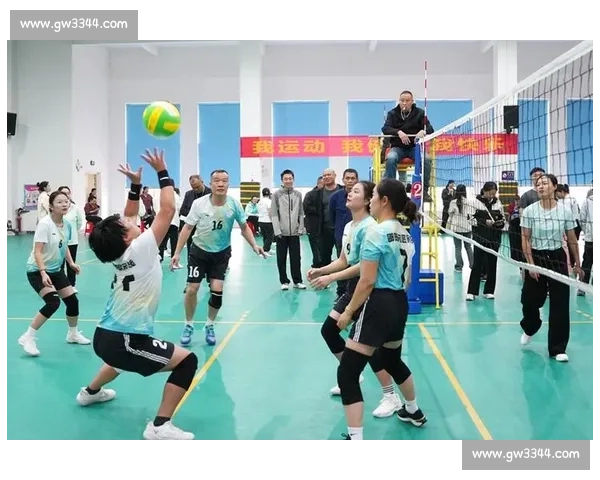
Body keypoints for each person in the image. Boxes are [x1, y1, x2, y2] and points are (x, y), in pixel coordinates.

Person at [79, 152, 198, 440]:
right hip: (125, 340)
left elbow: (129, 215)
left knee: (120, 361)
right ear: (126, 237)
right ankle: (159, 426)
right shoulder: (141, 248)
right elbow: (167, 210)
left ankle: (90, 392)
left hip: (105, 336)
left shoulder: (123, 251)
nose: (130, 220)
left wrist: (135, 186)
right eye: (127, 224)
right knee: (187, 361)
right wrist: (163, 172)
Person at [335, 178, 427, 440]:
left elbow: (366, 281)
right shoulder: (405, 234)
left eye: (374, 195)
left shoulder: (376, 232)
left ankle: (355, 438)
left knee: (348, 372)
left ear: (384, 201)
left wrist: (348, 312)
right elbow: (407, 280)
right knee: (391, 360)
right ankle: (413, 410)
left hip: (379, 303)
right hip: (399, 303)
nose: (371, 200)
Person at [308, 181, 403, 418]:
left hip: (366, 289)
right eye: (350, 191)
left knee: (368, 346)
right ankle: (352, 372)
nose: (349, 193)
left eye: (356, 191)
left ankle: (391, 396)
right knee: (330, 331)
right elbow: (344, 260)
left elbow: (363, 267)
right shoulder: (350, 225)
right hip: (352, 287)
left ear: (369, 200)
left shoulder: (371, 227)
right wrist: (321, 270)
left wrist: (331, 278)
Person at [171, 169, 266, 346]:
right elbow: (187, 228)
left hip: (221, 253)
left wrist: (254, 245)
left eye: (224, 181)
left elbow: (244, 227)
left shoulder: (234, 204)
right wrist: (176, 253)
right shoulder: (199, 204)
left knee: (217, 292)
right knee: (192, 289)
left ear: (229, 184)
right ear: (210, 183)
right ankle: (188, 324)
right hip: (199, 251)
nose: (220, 184)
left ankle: (209, 324)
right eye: (216, 180)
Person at [19, 190, 89, 357]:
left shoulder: (67, 224)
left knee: (72, 301)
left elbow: (64, 246)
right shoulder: (45, 224)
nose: (64, 204)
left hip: (55, 270)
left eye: (66, 201)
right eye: (59, 202)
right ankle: (28, 337)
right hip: (37, 270)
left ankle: (73, 334)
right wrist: (43, 272)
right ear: (51, 206)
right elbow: (37, 251)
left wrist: (71, 263)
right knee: (53, 302)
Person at [520, 174, 581, 362]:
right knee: (529, 300)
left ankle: (558, 348)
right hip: (536, 256)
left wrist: (577, 263)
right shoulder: (529, 211)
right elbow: (525, 239)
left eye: (544, 183)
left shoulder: (565, 211)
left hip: (557, 257)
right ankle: (530, 327)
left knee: (560, 302)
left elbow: (572, 239)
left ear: (555, 186)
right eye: (537, 184)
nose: (540, 186)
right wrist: (531, 265)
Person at [381, 91, 434, 196]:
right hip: (397, 148)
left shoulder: (420, 113)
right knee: (391, 158)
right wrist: (398, 132)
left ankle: (424, 190)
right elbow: (385, 128)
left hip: (415, 148)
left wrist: (423, 131)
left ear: (412, 101)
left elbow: (430, 129)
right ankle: (389, 190)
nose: (404, 103)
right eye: (402, 100)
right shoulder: (392, 113)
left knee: (426, 159)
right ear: (399, 101)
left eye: (407, 100)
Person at [466, 182, 505, 301]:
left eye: (494, 193)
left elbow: (503, 219)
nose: (491, 196)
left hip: (494, 238)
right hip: (480, 238)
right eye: (490, 193)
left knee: (492, 264)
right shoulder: (474, 202)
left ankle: (489, 291)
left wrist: (500, 223)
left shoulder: (498, 203)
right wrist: (484, 222)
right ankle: (471, 291)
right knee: (477, 264)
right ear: (484, 191)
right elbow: (470, 219)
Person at [271, 169, 306, 290]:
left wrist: (300, 228)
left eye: (290, 178)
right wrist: (277, 230)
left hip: (294, 233)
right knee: (281, 258)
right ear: (282, 180)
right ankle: (284, 281)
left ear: (293, 179)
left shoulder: (298, 194)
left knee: (296, 258)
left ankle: (297, 281)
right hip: (281, 233)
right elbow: (274, 214)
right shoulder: (276, 194)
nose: (288, 181)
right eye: (285, 179)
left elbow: (301, 212)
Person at [328, 169, 358, 301]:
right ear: (343, 180)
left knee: (356, 266)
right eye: (347, 178)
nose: (350, 181)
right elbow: (331, 217)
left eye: (353, 178)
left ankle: (354, 294)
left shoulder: (362, 197)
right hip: (341, 237)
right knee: (341, 265)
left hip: (358, 238)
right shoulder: (335, 197)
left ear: (357, 180)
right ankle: (341, 294)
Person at [58, 186, 85, 289]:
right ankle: (60, 286)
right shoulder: (56, 209)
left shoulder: (75, 208)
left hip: (72, 241)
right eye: (63, 193)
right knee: (59, 265)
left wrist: (72, 233)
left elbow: (79, 223)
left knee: (71, 264)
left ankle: (71, 285)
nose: (66, 195)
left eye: (68, 193)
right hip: (59, 242)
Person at [179, 175, 212, 254]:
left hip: (207, 228)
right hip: (192, 227)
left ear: (202, 182)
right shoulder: (188, 194)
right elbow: (183, 210)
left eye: (197, 187)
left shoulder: (211, 193)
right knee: (191, 249)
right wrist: (195, 214)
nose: (196, 189)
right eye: (193, 187)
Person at [447, 184, 474, 272]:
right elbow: (472, 213)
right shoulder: (469, 202)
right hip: (467, 227)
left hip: (456, 228)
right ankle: (473, 265)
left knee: (458, 248)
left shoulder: (453, 202)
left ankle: (459, 267)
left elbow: (450, 212)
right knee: (468, 247)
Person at [302, 176, 324, 267]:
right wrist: (319, 210)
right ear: (318, 184)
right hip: (312, 225)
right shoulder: (310, 195)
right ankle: (317, 263)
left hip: (324, 226)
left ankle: (323, 263)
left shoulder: (326, 194)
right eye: (323, 184)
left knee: (323, 247)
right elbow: (305, 208)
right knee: (315, 246)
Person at [159, 186, 182, 265]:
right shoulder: (176, 197)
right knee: (174, 242)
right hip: (174, 222)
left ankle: (160, 258)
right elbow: (180, 208)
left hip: (163, 221)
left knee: (162, 241)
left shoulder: (161, 195)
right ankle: (174, 260)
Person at [578, 189, 593, 296]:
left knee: (587, 262)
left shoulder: (587, 202)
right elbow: (581, 219)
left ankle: (582, 288)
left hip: (590, 238)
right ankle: (582, 287)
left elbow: (581, 219)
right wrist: (587, 231)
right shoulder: (588, 202)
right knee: (587, 262)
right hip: (591, 239)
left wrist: (587, 231)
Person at [257, 187, 274, 257]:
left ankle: (268, 249)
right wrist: (272, 220)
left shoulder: (259, 202)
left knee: (265, 237)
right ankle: (265, 250)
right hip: (268, 221)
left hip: (260, 221)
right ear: (269, 194)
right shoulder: (269, 201)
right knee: (270, 237)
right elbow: (270, 211)